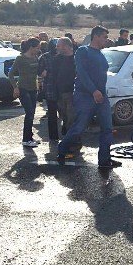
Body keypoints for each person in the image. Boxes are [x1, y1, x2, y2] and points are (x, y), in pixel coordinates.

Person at [57, 26, 121, 168]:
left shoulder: (101, 54)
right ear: (96, 36)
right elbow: (81, 73)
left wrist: (100, 92)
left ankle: (104, 160)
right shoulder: (83, 51)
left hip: (101, 96)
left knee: (107, 128)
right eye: (104, 37)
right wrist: (93, 91)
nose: (107, 39)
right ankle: (62, 149)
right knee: (79, 127)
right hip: (85, 96)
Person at [8, 37, 41, 148]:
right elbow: (11, 74)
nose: (38, 50)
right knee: (29, 113)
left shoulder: (36, 57)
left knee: (32, 114)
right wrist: (15, 87)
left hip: (33, 89)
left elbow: (38, 73)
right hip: (23, 88)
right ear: (31, 47)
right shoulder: (20, 58)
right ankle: (25, 139)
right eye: (37, 48)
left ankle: (30, 136)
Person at [52, 37, 76, 136]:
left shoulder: (77, 58)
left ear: (66, 46)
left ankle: (72, 141)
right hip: (60, 93)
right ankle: (67, 138)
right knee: (64, 117)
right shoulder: (56, 59)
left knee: (72, 118)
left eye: (58, 46)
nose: (56, 48)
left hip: (72, 92)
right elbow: (53, 76)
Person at [37, 39, 59, 142]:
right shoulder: (46, 57)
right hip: (52, 88)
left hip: (57, 88)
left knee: (55, 114)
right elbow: (41, 73)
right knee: (53, 113)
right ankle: (55, 136)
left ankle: (56, 136)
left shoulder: (46, 57)